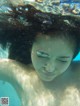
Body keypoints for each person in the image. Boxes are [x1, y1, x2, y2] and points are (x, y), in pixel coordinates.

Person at [0, 1, 80, 106]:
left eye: (63, 60)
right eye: (42, 55)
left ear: (73, 56)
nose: (49, 69)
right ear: (30, 47)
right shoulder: (17, 72)